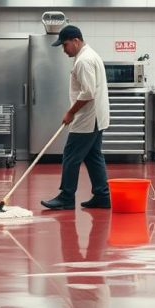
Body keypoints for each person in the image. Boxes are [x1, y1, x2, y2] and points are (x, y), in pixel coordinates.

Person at [41, 25, 112, 210]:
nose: (64, 50)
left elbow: (88, 93)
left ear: (76, 41)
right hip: (96, 117)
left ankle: (66, 197)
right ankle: (102, 195)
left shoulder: (84, 61)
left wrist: (71, 112)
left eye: (65, 45)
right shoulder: (90, 55)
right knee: (93, 156)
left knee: (71, 156)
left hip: (87, 119)